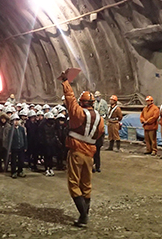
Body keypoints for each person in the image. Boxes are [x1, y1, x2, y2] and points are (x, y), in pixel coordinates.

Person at [60, 72, 105, 227]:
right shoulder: (100, 118)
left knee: (73, 184)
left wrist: (65, 82)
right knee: (86, 185)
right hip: (90, 155)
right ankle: (84, 215)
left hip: (76, 152)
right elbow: (99, 135)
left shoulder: (77, 113)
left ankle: (83, 216)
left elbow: (69, 98)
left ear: (82, 102)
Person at [4, 114, 27, 178]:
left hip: (21, 147)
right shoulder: (10, 129)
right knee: (13, 161)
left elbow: (24, 137)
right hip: (14, 147)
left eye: (17, 120)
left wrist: (25, 146)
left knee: (21, 160)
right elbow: (8, 139)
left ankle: (20, 171)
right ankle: (13, 172)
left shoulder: (21, 129)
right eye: (14, 120)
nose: (16, 121)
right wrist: (9, 149)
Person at [40, 112, 60, 176]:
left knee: (51, 157)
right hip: (45, 144)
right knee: (46, 157)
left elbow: (55, 133)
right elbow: (41, 135)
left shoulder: (53, 126)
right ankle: (46, 169)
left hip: (52, 143)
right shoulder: (43, 126)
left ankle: (50, 168)